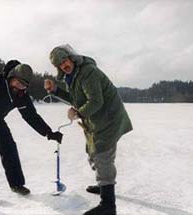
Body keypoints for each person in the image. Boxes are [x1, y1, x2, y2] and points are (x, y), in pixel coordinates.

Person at [0, 60, 63, 210]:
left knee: (8, 147)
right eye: (18, 82)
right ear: (10, 77)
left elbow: (31, 116)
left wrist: (49, 133)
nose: (20, 87)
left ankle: (16, 184)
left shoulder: (21, 95)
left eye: (24, 85)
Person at [45, 45, 132, 215]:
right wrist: (55, 90)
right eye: (60, 65)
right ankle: (104, 185)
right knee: (92, 152)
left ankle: (108, 205)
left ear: (71, 58)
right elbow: (75, 98)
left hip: (109, 119)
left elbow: (96, 101)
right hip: (96, 121)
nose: (64, 66)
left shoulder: (88, 72)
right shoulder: (73, 76)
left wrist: (77, 113)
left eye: (65, 61)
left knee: (102, 155)